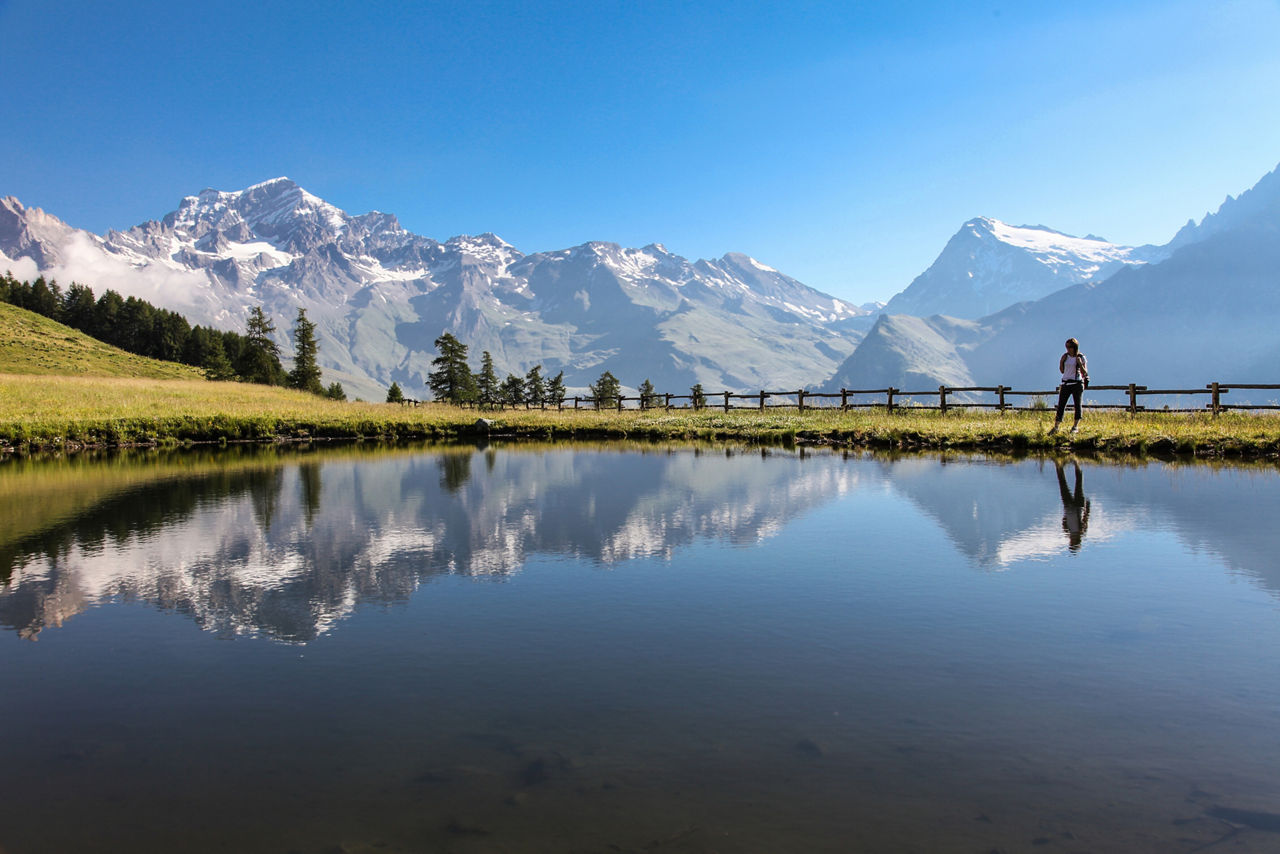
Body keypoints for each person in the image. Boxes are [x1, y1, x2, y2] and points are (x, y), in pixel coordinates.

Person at [1049, 337, 1089, 434]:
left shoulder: (1081, 357)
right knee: (1061, 405)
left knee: (1077, 405)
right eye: (1066, 346)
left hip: (1077, 383)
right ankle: (1056, 426)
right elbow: (1062, 371)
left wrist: (1079, 363)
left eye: (1070, 347)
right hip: (1066, 383)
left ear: (1074, 347)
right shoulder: (1065, 356)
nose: (1068, 349)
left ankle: (1075, 426)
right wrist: (1061, 362)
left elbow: (1085, 372)